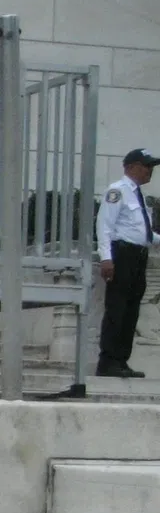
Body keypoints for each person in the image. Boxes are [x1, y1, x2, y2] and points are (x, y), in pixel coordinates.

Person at [96, 147, 159, 378]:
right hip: (122, 255)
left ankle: (121, 360)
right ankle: (108, 361)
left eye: (151, 166)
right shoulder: (117, 191)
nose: (150, 171)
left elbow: (141, 231)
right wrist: (106, 258)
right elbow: (105, 225)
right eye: (146, 166)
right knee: (117, 308)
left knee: (131, 310)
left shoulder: (137, 194)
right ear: (131, 167)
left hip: (138, 256)